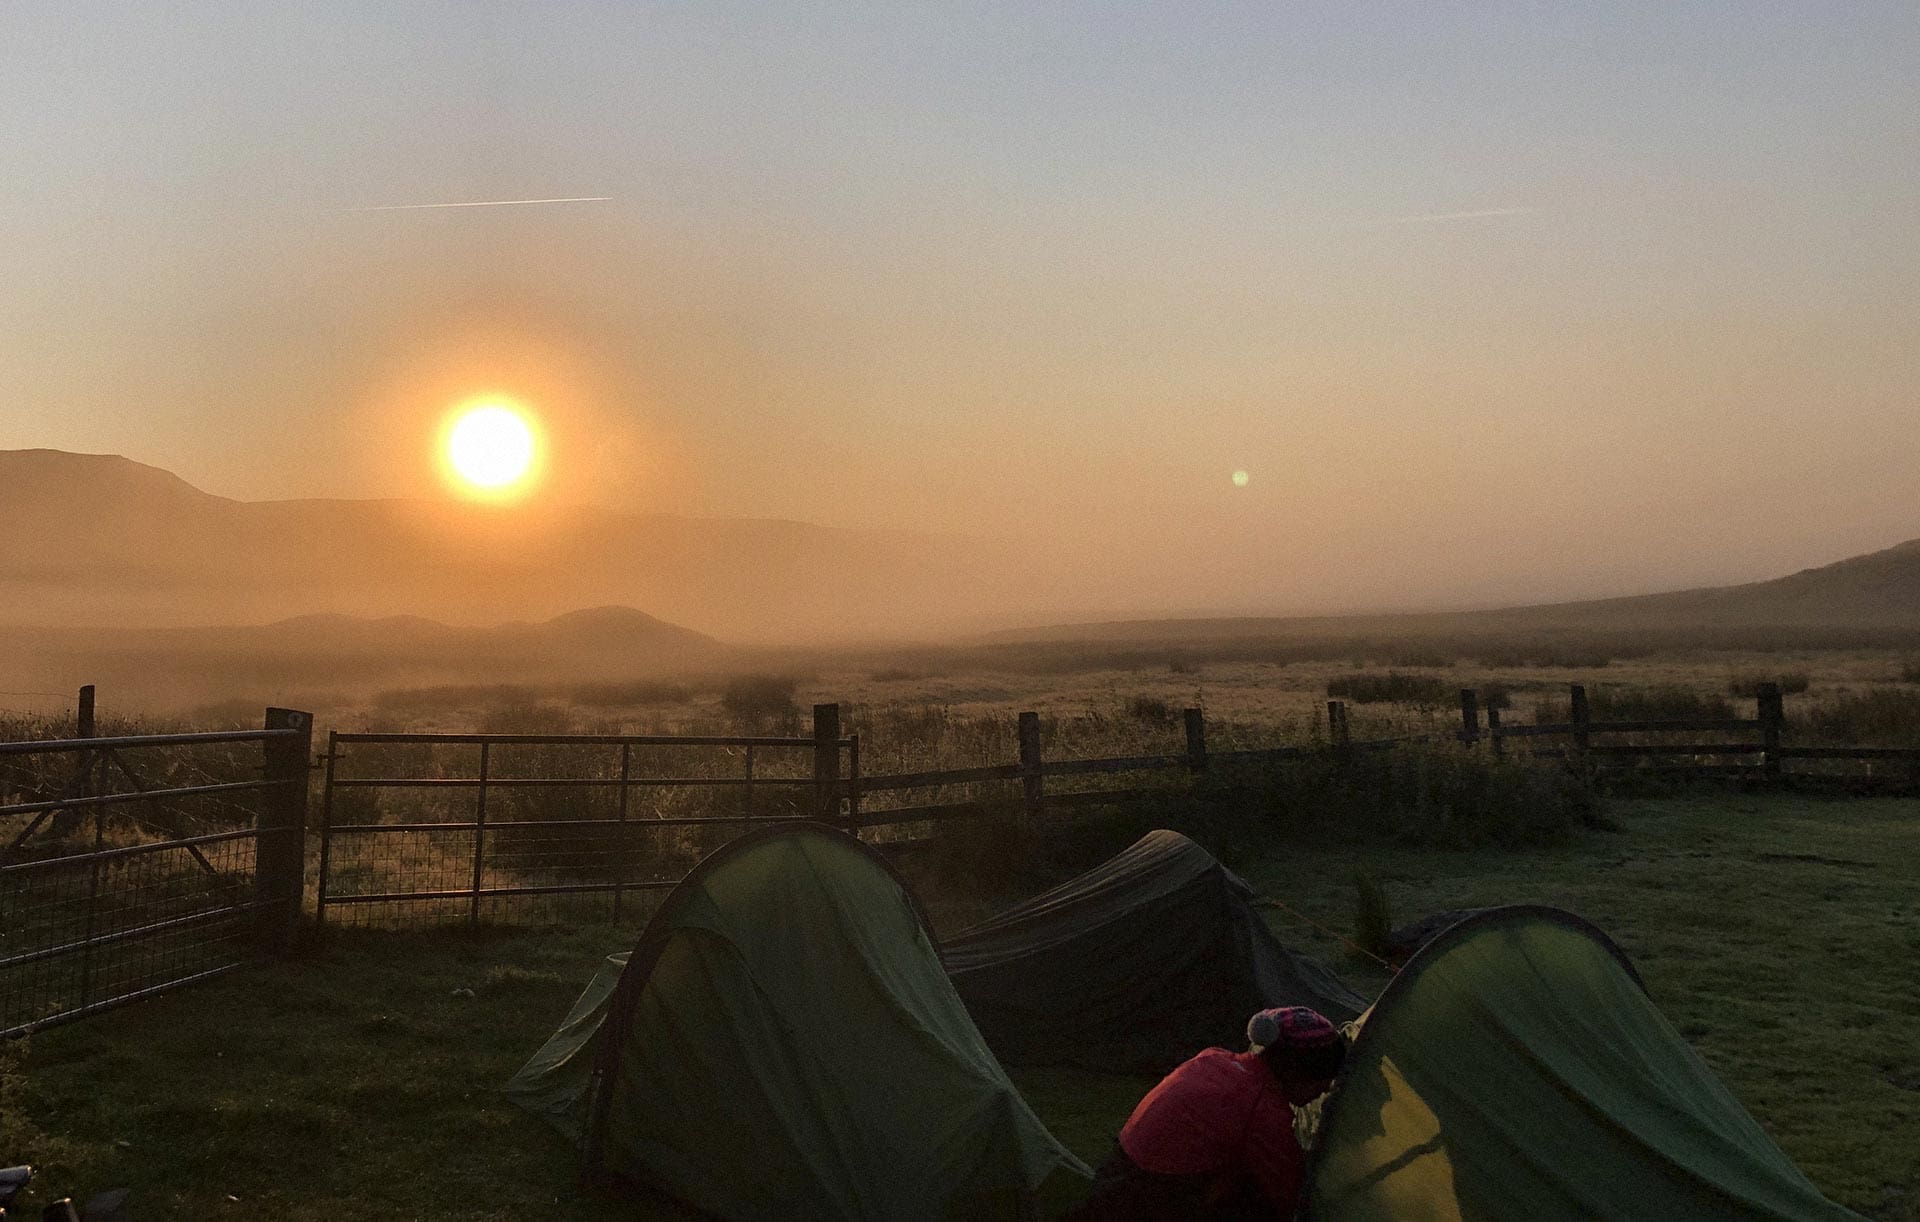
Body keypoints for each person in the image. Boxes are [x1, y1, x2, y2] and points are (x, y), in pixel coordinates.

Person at [1070, 1006, 1346, 1221]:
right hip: (1144, 1202)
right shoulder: (1262, 1107)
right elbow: (1287, 1191)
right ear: (1297, 1072)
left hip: (1113, 1175)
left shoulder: (1215, 1058)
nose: (1323, 1092)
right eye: (1322, 1083)